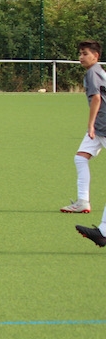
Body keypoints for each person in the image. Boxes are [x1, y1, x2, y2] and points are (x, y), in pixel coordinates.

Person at [62, 40, 106, 216]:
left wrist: (91, 124)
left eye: (85, 53)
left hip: (102, 125)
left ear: (96, 56)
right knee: (80, 158)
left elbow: (96, 98)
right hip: (101, 124)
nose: (81, 57)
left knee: (80, 158)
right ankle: (82, 201)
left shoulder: (92, 73)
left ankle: (83, 201)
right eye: (80, 54)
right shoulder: (99, 71)